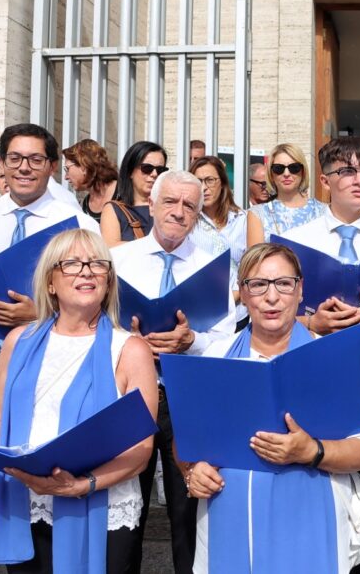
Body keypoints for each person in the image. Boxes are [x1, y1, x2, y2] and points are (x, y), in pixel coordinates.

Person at [0, 228, 157, 574]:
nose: (86, 271)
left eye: (97, 264)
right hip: (28, 500)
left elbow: (141, 449)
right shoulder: (16, 341)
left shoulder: (130, 349)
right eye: (71, 263)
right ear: (50, 282)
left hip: (100, 507)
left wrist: (82, 485)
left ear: (109, 282)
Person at [185, 243, 360, 573]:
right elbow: (187, 443)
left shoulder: (335, 358)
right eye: (258, 285)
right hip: (230, 517)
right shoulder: (215, 357)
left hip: (310, 519)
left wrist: (311, 451)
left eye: (283, 283)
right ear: (244, 295)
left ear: (300, 290)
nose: (271, 297)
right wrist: (191, 470)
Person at [110, 170, 237, 574]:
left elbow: (226, 341)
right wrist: (130, 347)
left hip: (188, 399)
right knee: (123, 517)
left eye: (190, 206)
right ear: (151, 205)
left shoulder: (215, 269)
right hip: (130, 397)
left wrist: (191, 341)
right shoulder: (117, 261)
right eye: (171, 202)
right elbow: (94, 329)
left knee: (188, 518)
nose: (179, 212)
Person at [0, 124, 99, 338]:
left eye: (36, 160)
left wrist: (41, 313)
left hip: (50, 344)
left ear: (52, 166)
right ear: (2, 163)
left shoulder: (78, 225)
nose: (24, 168)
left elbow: (98, 297)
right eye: (15, 158)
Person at [283, 137, 360, 336]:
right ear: (325, 181)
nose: (359, 181)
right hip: (312, 351)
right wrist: (311, 322)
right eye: (348, 172)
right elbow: (270, 313)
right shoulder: (294, 242)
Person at [245, 144, 326, 246]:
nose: (286, 173)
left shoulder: (323, 211)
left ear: (303, 171)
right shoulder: (258, 214)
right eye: (279, 168)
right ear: (271, 174)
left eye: (294, 168)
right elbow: (254, 260)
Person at [100, 141, 167, 246]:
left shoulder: (171, 208)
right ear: (130, 171)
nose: (154, 174)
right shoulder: (114, 210)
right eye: (147, 168)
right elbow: (111, 249)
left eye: (160, 170)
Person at [188, 156, 246, 265]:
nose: (203, 187)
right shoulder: (187, 221)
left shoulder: (242, 220)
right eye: (198, 181)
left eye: (210, 180)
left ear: (223, 183)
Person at [62, 139, 118, 223]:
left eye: (67, 169)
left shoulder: (124, 192)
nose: (65, 177)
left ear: (83, 166)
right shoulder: (85, 205)